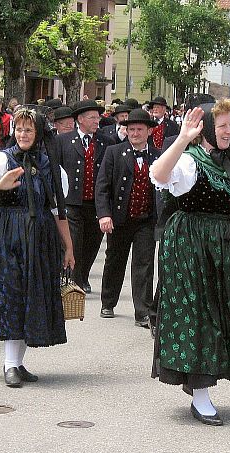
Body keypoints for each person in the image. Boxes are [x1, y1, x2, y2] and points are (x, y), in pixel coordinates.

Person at [150, 101, 230, 426]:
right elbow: (159, 173)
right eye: (223, 125)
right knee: (199, 316)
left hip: (228, 246)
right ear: (208, 129)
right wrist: (182, 138)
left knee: (226, 313)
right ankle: (201, 394)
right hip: (191, 246)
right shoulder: (189, 160)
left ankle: (195, 379)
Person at [0, 107, 74, 387]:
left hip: (40, 235)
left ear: (38, 133)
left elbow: (58, 211)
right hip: (7, 234)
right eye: (19, 129)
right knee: (12, 292)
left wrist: (69, 248)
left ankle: (18, 361)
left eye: (28, 129)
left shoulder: (50, 165)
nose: (23, 134)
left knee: (32, 295)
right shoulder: (1, 159)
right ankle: (10, 363)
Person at [95, 108, 159, 327]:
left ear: (149, 131)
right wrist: (104, 214)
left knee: (144, 264)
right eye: (131, 129)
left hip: (146, 219)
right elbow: (102, 186)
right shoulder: (114, 152)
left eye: (139, 129)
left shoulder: (158, 155)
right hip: (120, 218)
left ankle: (143, 312)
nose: (134, 133)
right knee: (115, 260)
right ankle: (108, 301)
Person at [52, 99, 115, 293]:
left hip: (96, 203)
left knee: (92, 243)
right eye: (92, 117)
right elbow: (56, 170)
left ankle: (83, 275)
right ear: (80, 119)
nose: (97, 121)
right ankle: (74, 280)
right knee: (75, 242)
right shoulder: (63, 140)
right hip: (72, 202)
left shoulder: (106, 142)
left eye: (98, 117)